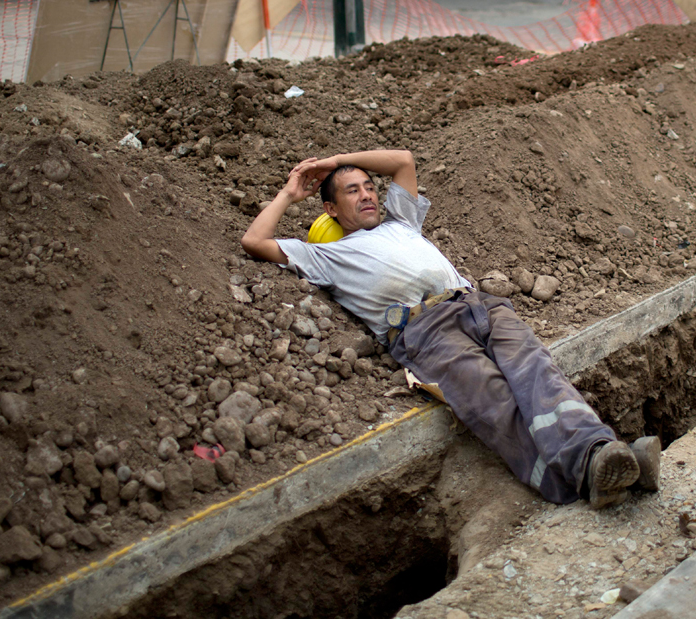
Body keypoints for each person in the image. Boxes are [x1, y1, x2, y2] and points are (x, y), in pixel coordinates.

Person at [241, 149, 660, 509]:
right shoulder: (324, 257)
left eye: (369, 186)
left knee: (536, 369)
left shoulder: (400, 222)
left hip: (477, 303)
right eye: (352, 190)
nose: (367, 194)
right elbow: (254, 240)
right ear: (330, 209)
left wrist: (338, 162)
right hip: (425, 332)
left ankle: (600, 453)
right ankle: (590, 475)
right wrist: (290, 193)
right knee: (493, 399)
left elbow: (403, 161)